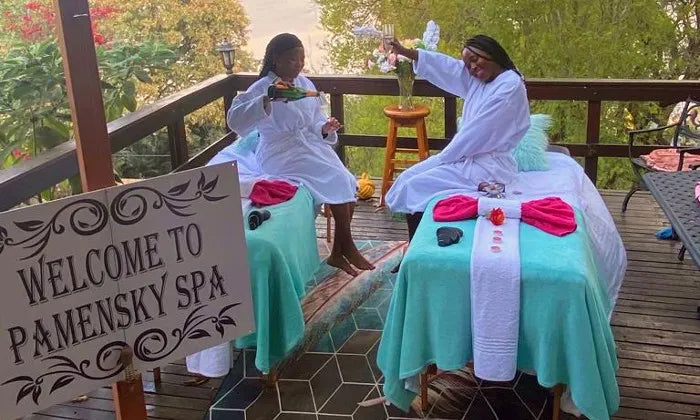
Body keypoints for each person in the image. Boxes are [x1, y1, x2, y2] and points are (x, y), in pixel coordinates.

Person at [227, 33, 374, 276]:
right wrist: (267, 99)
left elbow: (315, 120)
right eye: (293, 60)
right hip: (278, 151)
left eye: (302, 59)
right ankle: (347, 247)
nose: (299, 64)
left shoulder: (305, 84)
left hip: (307, 145)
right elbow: (234, 120)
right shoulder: (262, 87)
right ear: (276, 59)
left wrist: (325, 128)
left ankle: (338, 253)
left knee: (348, 182)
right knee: (338, 180)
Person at [385, 35, 531, 240]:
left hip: (490, 168)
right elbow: (448, 67)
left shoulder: (509, 86)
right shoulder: (482, 79)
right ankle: (414, 247)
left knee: (415, 186)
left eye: (474, 60)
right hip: (468, 157)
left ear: (490, 53)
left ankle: (419, 248)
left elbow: (476, 134)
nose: (471, 68)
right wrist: (406, 52)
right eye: (467, 64)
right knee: (406, 178)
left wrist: (442, 158)